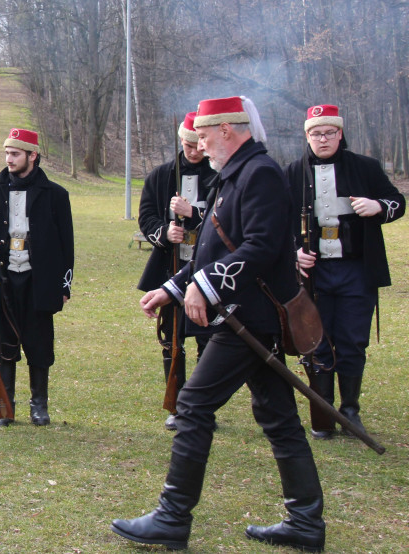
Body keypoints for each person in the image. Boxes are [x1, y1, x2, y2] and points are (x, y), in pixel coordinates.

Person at [112, 96, 325, 552]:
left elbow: (264, 247)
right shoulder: (235, 175)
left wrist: (205, 286)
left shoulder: (259, 174)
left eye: (205, 136)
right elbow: (213, 249)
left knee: (192, 405)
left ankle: (172, 518)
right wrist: (173, 288)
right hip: (242, 314)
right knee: (280, 419)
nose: (201, 146)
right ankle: (306, 522)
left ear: (228, 129)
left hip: (248, 318)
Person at [284, 104, 404, 439]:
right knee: (317, 340)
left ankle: (350, 410)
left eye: (328, 133)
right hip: (314, 273)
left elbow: (397, 201)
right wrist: (294, 251)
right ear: (307, 136)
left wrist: (379, 206)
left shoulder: (365, 167)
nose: (322, 139)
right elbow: (278, 219)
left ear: (340, 133)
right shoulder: (293, 172)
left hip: (356, 270)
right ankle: (324, 410)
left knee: (352, 341)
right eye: (315, 133)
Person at [0, 128, 74, 427]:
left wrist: (63, 285)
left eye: (15, 154)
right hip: (1, 278)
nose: (9, 159)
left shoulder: (56, 195)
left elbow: (67, 244)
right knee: (3, 343)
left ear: (32, 155)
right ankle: (5, 403)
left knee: (39, 344)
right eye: (7, 153)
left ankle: (38, 405)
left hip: (39, 280)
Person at [137, 112, 215, 430]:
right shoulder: (160, 175)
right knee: (172, 339)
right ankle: (178, 404)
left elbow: (225, 218)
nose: (193, 151)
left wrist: (193, 213)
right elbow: (146, 217)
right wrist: (163, 233)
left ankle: (203, 407)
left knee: (208, 340)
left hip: (208, 267)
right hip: (169, 266)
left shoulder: (219, 175)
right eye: (187, 145)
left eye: (198, 145)